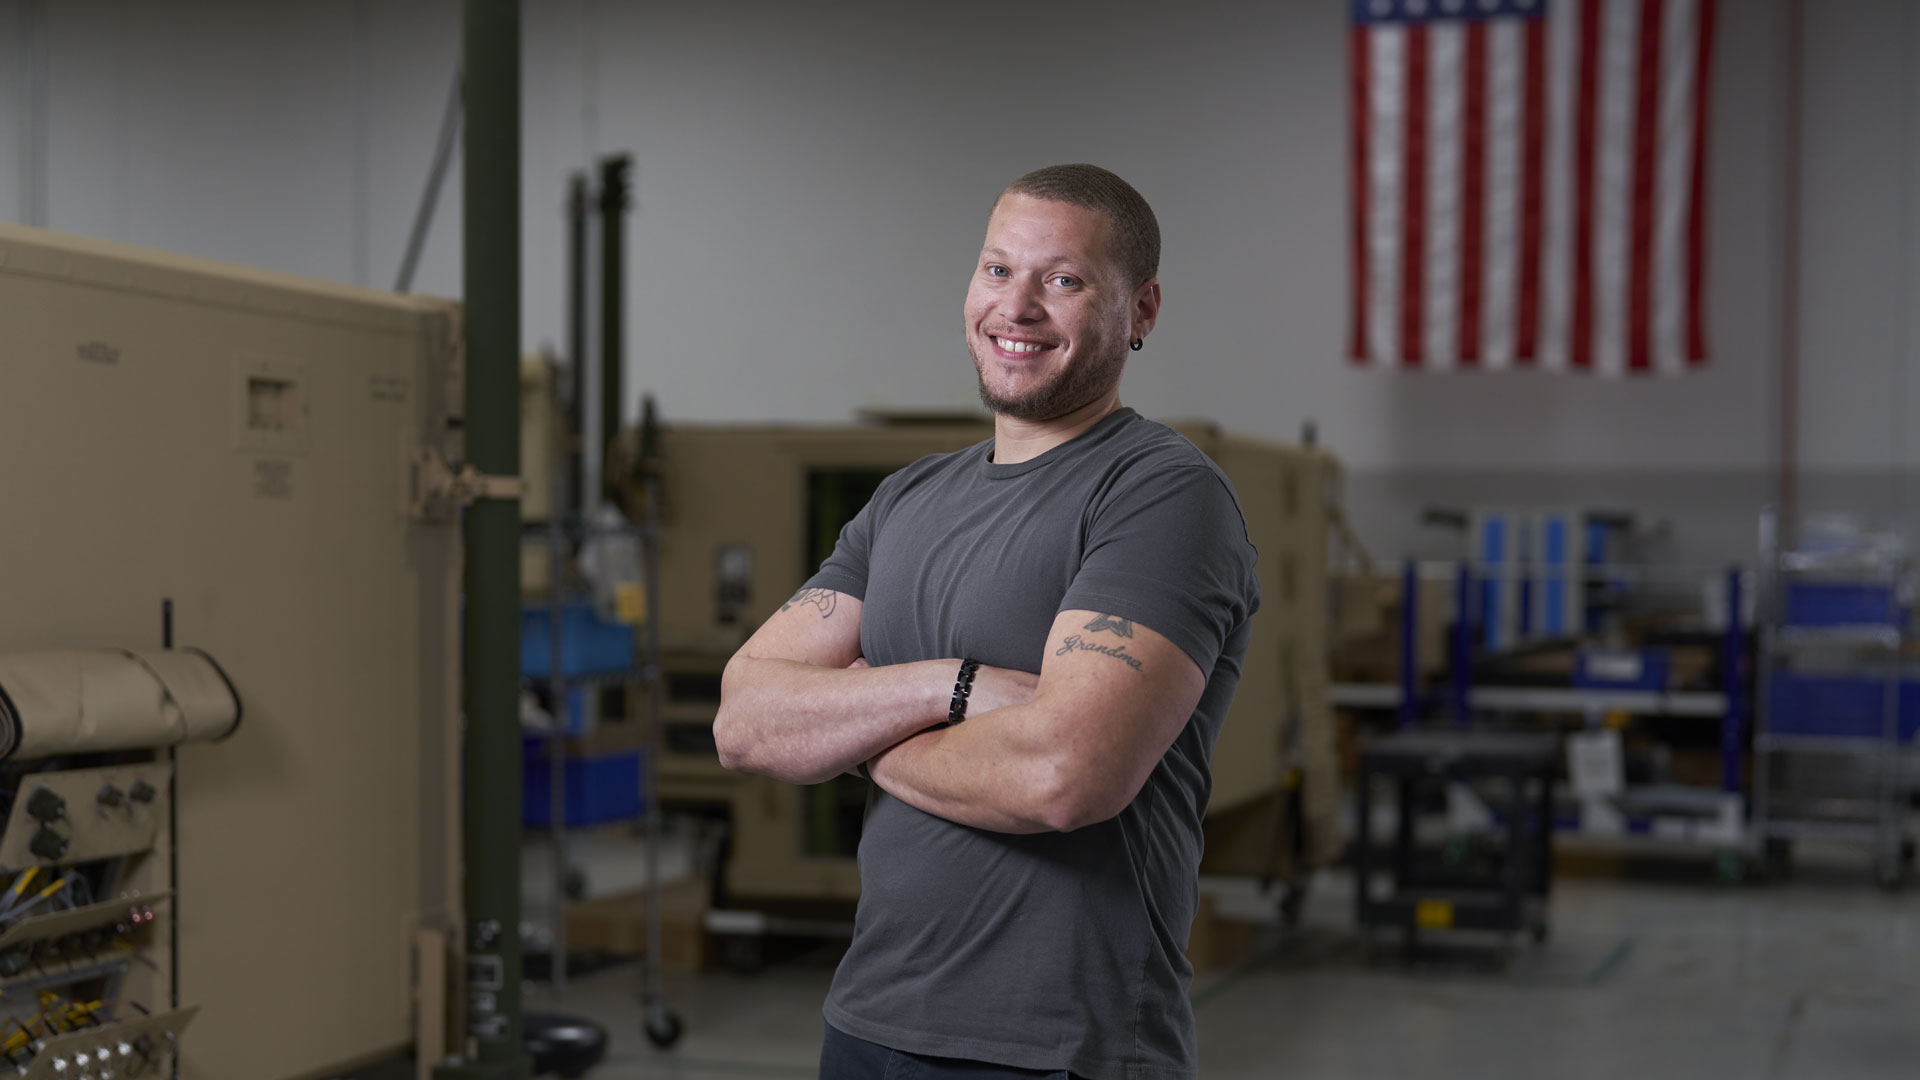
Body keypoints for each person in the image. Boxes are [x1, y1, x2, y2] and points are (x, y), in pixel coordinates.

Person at [714, 163, 1260, 1080]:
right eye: (998, 270)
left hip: (1055, 1047)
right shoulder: (907, 500)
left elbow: (1064, 776)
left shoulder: (1162, 496)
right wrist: (951, 687)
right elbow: (743, 720)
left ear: (1142, 311)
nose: (1019, 307)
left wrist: (849, 729)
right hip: (868, 1021)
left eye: (1064, 279)